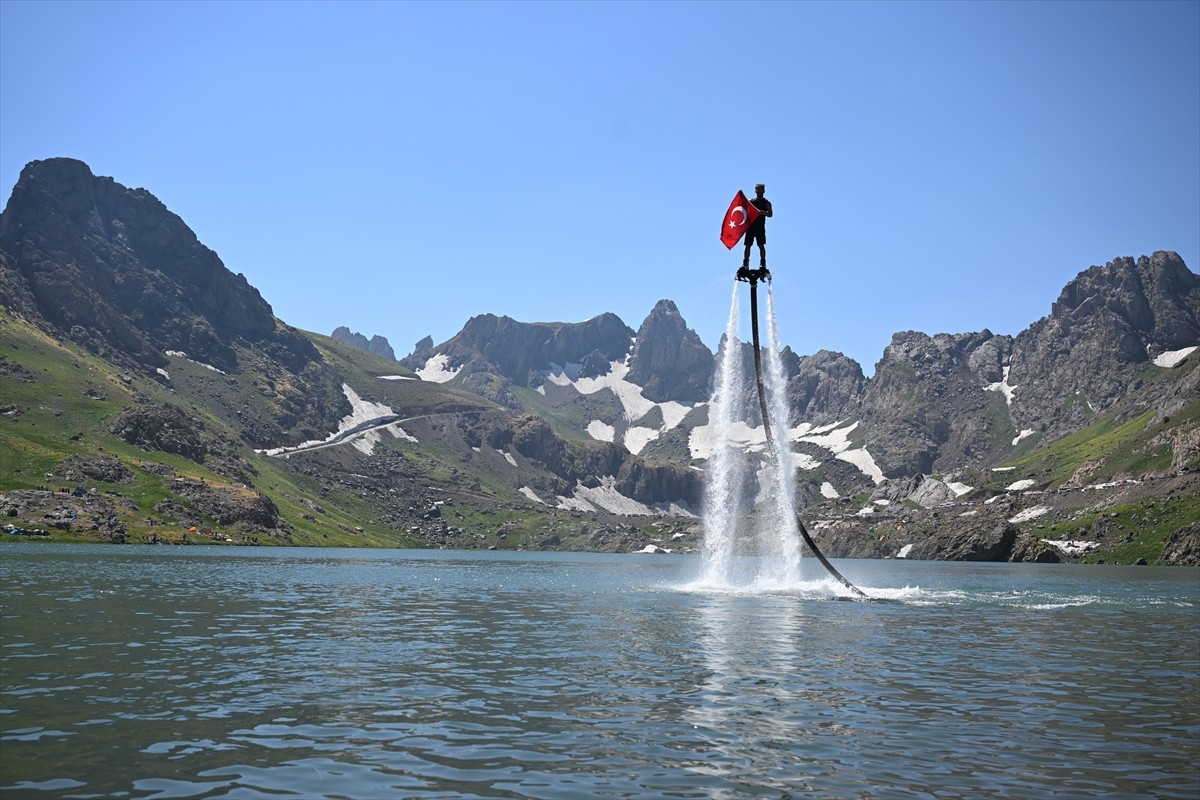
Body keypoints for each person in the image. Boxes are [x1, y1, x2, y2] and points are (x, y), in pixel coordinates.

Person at [741, 183, 773, 274]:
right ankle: (745, 263)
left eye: (761, 190)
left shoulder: (767, 203)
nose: (760, 191)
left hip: (760, 228)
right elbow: (744, 210)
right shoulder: (750, 201)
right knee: (747, 245)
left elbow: (770, 214)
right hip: (750, 227)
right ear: (755, 191)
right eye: (758, 190)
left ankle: (763, 263)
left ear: (764, 191)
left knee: (761, 245)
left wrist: (763, 213)